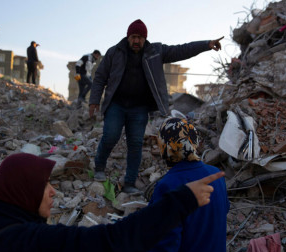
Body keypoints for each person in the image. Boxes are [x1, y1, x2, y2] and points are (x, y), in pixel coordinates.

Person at [0, 153, 224, 252]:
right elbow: (111, 241)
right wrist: (182, 201)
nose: (53, 192)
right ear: (23, 191)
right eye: (44, 185)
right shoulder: (26, 241)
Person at [88, 19, 223, 193]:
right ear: (128, 37)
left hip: (139, 108)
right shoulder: (115, 52)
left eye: (140, 38)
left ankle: (129, 183)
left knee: (136, 144)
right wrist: (94, 101)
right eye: (134, 37)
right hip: (117, 104)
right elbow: (100, 77)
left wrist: (206, 44)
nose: (136, 41)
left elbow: (181, 50)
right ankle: (99, 167)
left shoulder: (156, 52)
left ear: (145, 38)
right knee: (110, 137)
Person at [133, 117, 229, 252]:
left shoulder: (168, 185)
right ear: (193, 142)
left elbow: (162, 250)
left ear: (166, 145)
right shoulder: (216, 176)